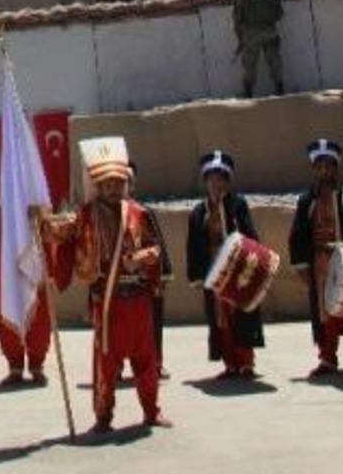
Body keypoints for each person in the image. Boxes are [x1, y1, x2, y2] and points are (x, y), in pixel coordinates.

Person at [41, 136, 170, 436]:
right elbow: (61, 230)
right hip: (108, 300)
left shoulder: (138, 213)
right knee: (105, 361)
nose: (112, 188)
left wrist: (140, 259)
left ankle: (152, 411)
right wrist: (42, 220)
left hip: (137, 299)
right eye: (107, 184)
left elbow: (155, 249)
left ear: (125, 183)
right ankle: (103, 416)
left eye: (117, 183)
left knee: (146, 359)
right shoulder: (86, 214)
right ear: (98, 186)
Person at [288, 139, 343, 377]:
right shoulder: (307, 200)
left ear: (336, 168)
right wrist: (301, 265)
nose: (324, 171)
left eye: (329, 166)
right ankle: (327, 358)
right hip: (320, 262)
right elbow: (298, 234)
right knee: (325, 311)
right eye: (320, 166)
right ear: (314, 169)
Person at [186, 151, 265, 379]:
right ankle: (230, 363)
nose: (216, 184)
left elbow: (250, 234)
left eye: (220, 179)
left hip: (237, 268)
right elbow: (193, 245)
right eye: (211, 179)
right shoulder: (199, 212)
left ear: (227, 181)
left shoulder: (237, 205)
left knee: (241, 313)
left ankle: (246, 362)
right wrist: (197, 274)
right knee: (221, 318)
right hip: (213, 270)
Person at [0, 203, 51, 384]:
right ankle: (15, 367)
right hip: (7, 278)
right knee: (8, 321)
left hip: (33, 278)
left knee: (38, 321)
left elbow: (50, 242)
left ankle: (37, 366)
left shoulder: (39, 213)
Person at [128, 160, 173, 379]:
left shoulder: (143, 213)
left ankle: (154, 364)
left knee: (150, 323)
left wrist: (162, 275)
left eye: (128, 181)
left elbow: (157, 245)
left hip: (143, 279)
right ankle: (114, 368)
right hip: (115, 283)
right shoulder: (103, 215)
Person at [233, 0, 284, 98]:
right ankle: (280, 88)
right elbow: (280, 13)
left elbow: (237, 19)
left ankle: (248, 92)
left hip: (251, 35)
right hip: (270, 31)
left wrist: (240, 39)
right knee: (274, 61)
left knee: (249, 64)